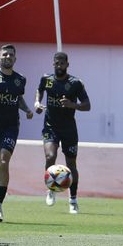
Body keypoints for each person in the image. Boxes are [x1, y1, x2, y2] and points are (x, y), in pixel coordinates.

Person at [34, 51, 91, 214]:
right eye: (56, 63)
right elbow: (39, 90)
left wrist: (72, 105)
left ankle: (73, 200)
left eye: (62, 63)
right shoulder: (47, 79)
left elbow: (87, 105)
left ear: (67, 64)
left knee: (71, 164)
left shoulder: (75, 83)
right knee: (50, 156)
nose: (59, 66)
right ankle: (50, 189)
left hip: (69, 129)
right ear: (53, 64)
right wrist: (37, 103)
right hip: (51, 127)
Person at [0, 43, 33, 222]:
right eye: (5, 55)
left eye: (11, 55)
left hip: (10, 127)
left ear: (15, 59)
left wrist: (26, 110)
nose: (8, 57)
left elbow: (18, 98)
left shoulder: (20, 79)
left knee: (4, 161)